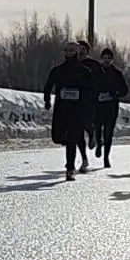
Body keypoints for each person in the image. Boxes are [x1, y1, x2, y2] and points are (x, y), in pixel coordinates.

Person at [43, 40, 95, 180]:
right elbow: (48, 86)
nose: (68, 54)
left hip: (77, 110)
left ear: (76, 52)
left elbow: (91, 90)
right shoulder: (58, 70)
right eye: (66, 51)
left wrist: (87, 104)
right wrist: (47, 100)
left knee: (72, 138)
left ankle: (70, 168)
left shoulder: (84, 71)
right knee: (57, 137)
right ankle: (68, 142)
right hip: (61, 108)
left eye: (71, 51)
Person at [91, 47, 128, 168]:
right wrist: (95, 95)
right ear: (101, 59)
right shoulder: (96, 73)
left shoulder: (117, 74)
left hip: (111, 107)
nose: (106, 60)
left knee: (108, 132)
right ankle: (99, 144)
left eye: (108, 58)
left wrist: (115, 93)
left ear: (112, 60)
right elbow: (90, 87)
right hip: (98, 106)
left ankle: (106, 157)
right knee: (98, 128)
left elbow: (125, 90)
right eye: (104, 58)